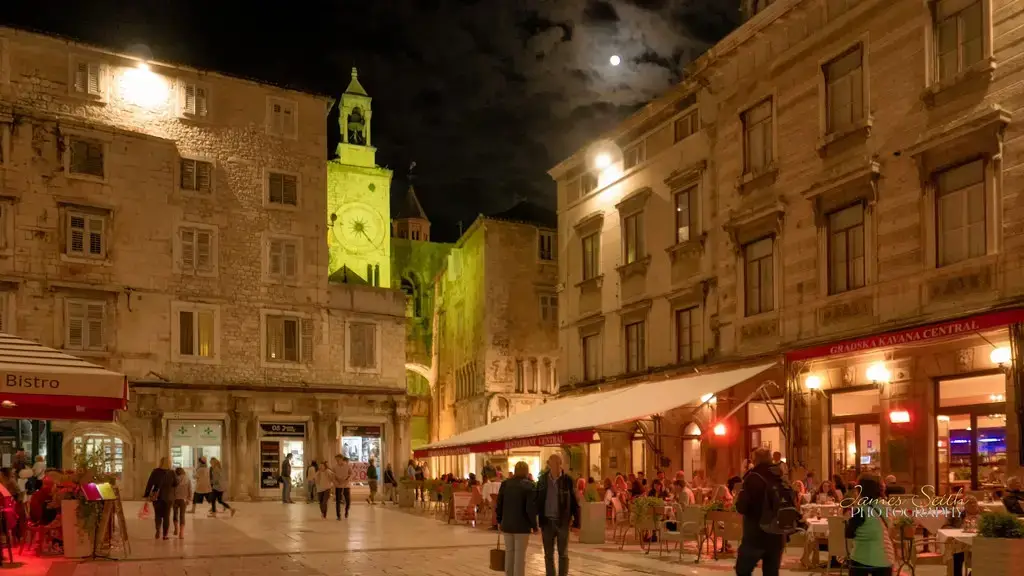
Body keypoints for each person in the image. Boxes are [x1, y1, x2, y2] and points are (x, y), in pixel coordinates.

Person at [735, 448, 792, 576]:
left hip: (756, 535)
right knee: (771, 573)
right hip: (777, 535)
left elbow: (742, 507)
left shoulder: (753, 477)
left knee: (742, 570)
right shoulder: (779, 476)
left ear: (756, 460)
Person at [536, 453, 579, 576]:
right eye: (552, 463)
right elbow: (538, 500)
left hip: (563, 521)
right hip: (547, 521)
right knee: (548, 554)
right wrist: (535, 521)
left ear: (560, 464)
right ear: (549, 464)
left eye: (557, 463)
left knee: (563, 554)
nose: (554, 466)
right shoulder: (543, 480)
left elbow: (574, 501)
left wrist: (577, 522)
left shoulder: (568, 481)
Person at [845, 475, 894, 575]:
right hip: (885, 556)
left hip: (861, 556)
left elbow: (848, 533)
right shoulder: (886, 505)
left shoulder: (861, 510)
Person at [496, 461, 538, 576]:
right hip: (522, 526)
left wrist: (499, 520)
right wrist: (534, 525)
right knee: (519, 556)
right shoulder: (529, 486)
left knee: (509, 553)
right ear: (526, 471)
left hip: (507, 524)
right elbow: (530, 508)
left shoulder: (505, 484)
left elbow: (499, 504)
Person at [144, 457, 177, 540]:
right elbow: (176, 483)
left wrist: (147, 494)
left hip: (157, 496)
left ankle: (158, 530)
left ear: (161, 462)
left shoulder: (155, 471)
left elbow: (150, 483)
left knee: (158, 514)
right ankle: (165, 535)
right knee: (166, 516)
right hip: (168, 497)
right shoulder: (172, 472)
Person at [172, 467, 191, 538]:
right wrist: (189, 499)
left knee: (175, 514)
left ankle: (176, 529)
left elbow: (172, 490)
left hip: (175, 499)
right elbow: (190, 490)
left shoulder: (174, 480)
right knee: (182, 515)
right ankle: (181, 533)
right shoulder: (187, 479)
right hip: (183, 500)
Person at [331, 454, 352, 519]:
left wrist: (347, 480)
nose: (337, 461)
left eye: (338, 460)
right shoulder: (334, 467)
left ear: (342, 459)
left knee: (348, 500)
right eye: (336, 460)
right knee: (337, 500)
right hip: (338, 485)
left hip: (346, 485)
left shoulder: (347, 466)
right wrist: (335, 483)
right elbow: (333, 476)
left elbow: (351, 474)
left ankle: (346, 511)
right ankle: (338, 515)